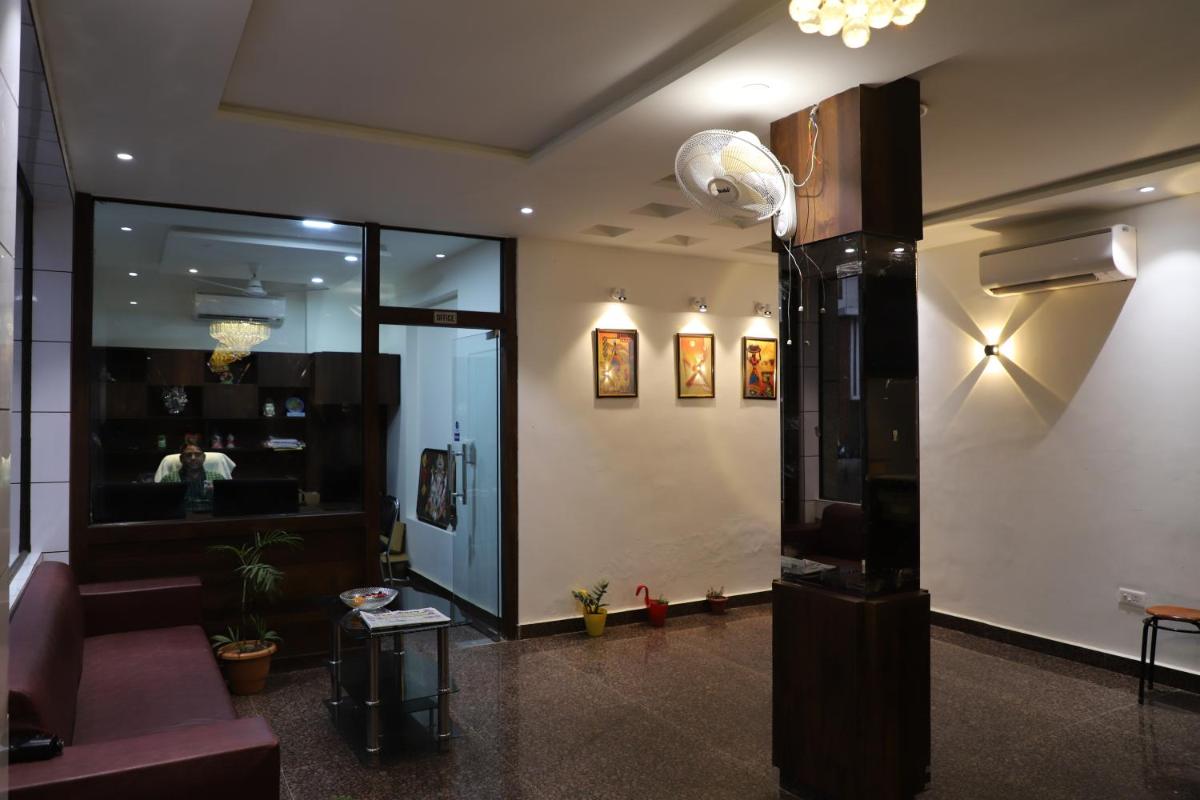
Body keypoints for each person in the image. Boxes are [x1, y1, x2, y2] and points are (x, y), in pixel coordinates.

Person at [158, 443, 227, 512]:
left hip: (210, 516)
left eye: (198, 454)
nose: (193, 458)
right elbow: (163, 506)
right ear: (181, 458)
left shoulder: (217, 478)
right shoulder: (169, 479)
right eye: (188, 455)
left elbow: (224, 503)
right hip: (181, 516)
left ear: (204, 457)